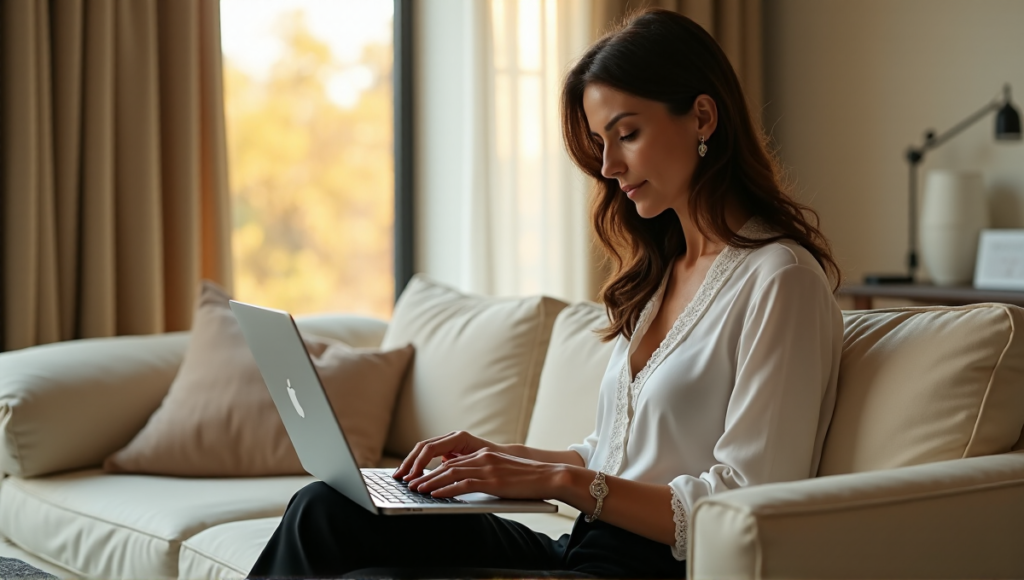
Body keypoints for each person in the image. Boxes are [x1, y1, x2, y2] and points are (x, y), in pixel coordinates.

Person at [249, 8, 843, 579]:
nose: (608, 164)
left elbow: (748, 503)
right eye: (598, 141)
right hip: (582, 549)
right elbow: (613, 457)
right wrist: (499, 459)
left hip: (652, 569)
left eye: (626, 133)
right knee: (325, 509)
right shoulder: (663, 273)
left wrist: (556, 483)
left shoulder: (779, 279)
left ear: (703, 118)